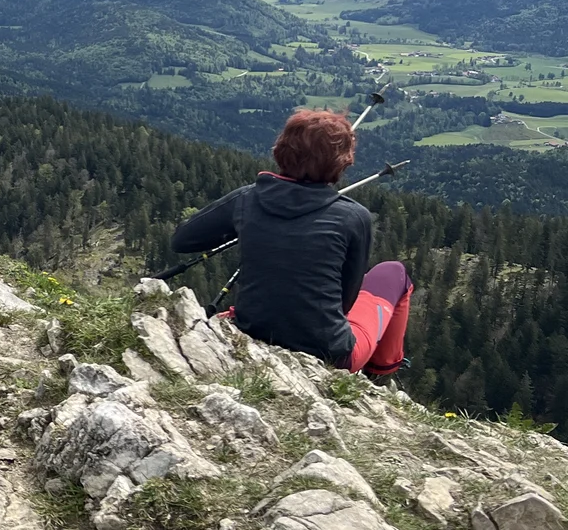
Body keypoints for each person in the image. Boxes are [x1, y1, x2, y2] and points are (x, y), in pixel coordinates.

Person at [171, 108, 413, 377]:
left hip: (253, 330)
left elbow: (183, 240)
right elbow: (345, 302)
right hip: (331, 354)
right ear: (342, 163)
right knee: (395, 273)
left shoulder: (247, 199)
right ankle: (382, 369)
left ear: (281, 150)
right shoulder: (354, 217)